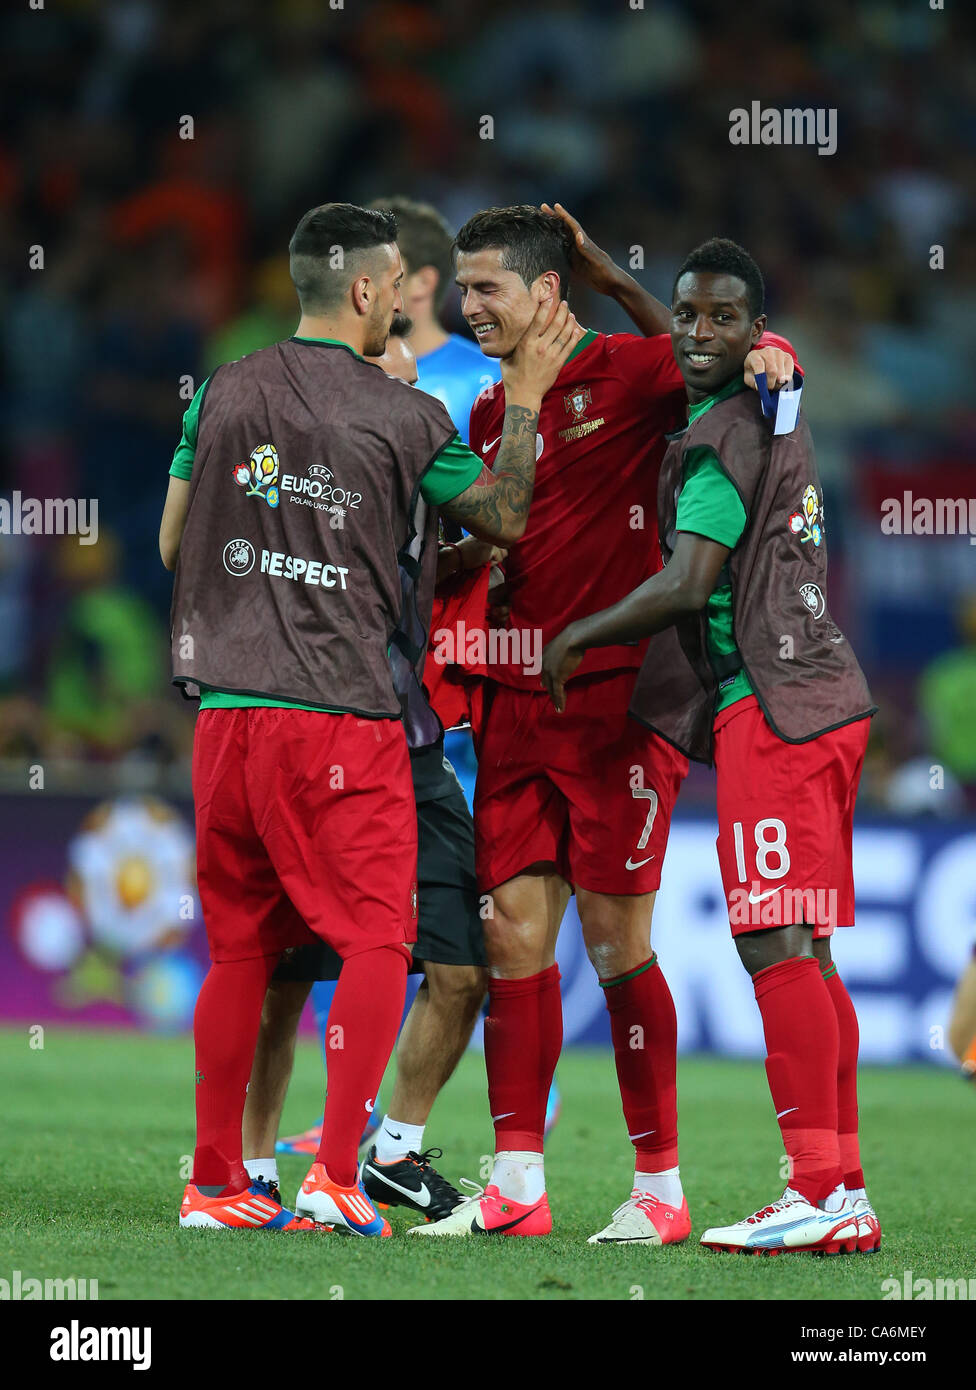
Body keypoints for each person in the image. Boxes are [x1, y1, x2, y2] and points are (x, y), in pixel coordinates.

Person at [159, 201, 582, 1235]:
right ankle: (337, 1174)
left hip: (223, 719)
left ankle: (216, 1183)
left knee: (244, 954)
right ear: (362, 290)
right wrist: (523, 400)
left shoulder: (220, 391)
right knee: (381, 942)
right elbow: (505, 517)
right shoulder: (404, 417)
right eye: (398, 282)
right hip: (340, 718)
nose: (408, 296)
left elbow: (177, 545)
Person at [414, 205, 797, 1242]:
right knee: (509, 937)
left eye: (486, 286)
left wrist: (770, 349)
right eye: (462, 285)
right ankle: (517, 1183)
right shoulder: (493, 414)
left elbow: (725, 351)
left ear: (546, 293)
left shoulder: (633, 374)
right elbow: (497, 535)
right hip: (512, 704)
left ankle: (661, 1189)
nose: (467, 305)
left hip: (619, 703)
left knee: (617, 941)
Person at [541, 237, 880, 1254]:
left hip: (769, 701)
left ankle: (815, 1187)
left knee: (771, 941)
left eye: (722, 318)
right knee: (808, 950)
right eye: (684, 313)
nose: (694, 331)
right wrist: (617, 285)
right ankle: (843, 1188)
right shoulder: (763, 402)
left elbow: (687, 584)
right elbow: (704, 347)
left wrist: (577, 632)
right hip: (825, 694)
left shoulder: (720, 435)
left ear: (752, 330)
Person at [241, 317, 503, 1222]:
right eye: (390, 367)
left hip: (412, 741)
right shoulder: (310, 465)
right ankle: (253, 1169)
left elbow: (410, 570)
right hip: (324, 734)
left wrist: (467, 558)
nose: (409, 382)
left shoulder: (418, 444)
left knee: (464, 963)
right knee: (286, 973)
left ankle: (391, 1151)